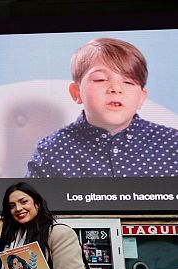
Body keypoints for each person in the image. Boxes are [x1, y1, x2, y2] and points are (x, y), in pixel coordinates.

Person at [25, 37, 178, 178]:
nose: (116, 89)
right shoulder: (52, 150)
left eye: (128, 82)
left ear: (141, 98)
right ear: (76, 92)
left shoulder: (172, 143)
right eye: (101, 79)